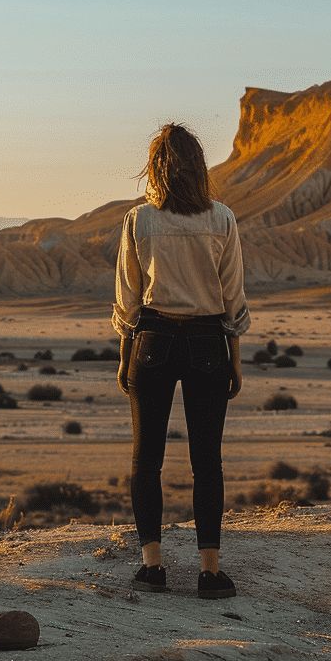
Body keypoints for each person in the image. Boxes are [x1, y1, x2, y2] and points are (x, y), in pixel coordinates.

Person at [112, 122, 251, 600]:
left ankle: (152, 566)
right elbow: (232, 297)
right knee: (206, 462)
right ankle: (210, 573)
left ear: (155, 168)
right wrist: (235, 359)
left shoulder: (140, 220)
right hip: (208, 341)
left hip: (151, 340)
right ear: (199, 168)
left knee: (145, 458)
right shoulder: (222, 219)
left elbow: (128, 298)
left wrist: (125, 354)